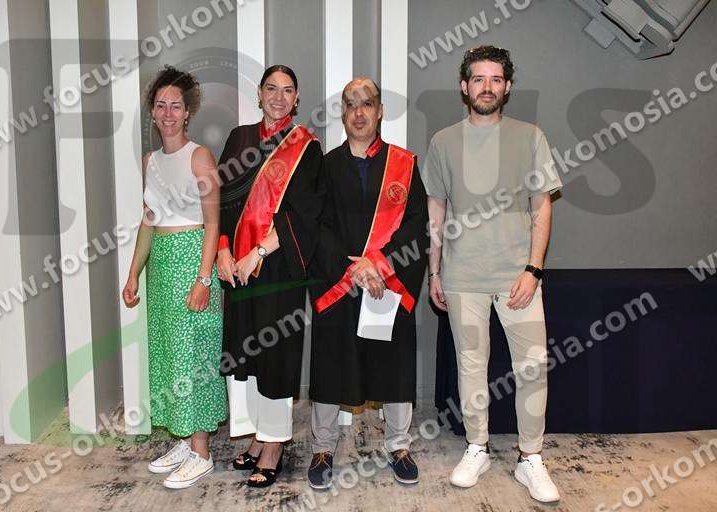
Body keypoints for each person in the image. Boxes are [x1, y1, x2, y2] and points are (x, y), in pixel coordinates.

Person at [420, 46, 563, 503]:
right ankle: (477, 447)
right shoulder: (443, 141)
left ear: (507, 87)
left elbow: (542, 208)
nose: (487, 87)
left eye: (495, 79)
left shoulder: (530, 137)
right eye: (478, 79)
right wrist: (434, 271)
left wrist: (533, 269)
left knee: (533, 367)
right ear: (465, 87)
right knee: (471, 367)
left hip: (518, 278)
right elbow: (436, 211)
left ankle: (530, 457)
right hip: (462, 277)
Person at [307, 77, 429, 488]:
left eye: (367, 103)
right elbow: (316, 226)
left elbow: (416, 224)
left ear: (379, 111)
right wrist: (353, 269)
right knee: (331, 363)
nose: (358, 112)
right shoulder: (325, 167)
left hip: (386, 283)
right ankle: (323, 447)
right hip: (339, 282)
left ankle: (398, 445)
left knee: (393, 364)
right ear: (342, 113)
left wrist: (380, 264)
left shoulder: (403, 164)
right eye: (350, 104)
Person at [216, 64, 324, 488]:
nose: (279, 97)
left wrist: (258, 252)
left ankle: (275, 443)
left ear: (297, 98)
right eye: (271, 89)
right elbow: (222, 200)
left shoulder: (306, 148)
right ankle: (257, 436)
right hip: (236, 269)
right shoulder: (239, 139)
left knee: (274, 353)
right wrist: (224, 250)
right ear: (259, 94)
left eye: (287, 90)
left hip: (277, 266)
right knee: (244, 352)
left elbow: (304, 215)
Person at [121, 66, 226, 489]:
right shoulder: (150, 161)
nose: (168, 113)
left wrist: (204, 280)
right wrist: (133, 274)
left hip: (192, 262)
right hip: (161, 266)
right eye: (161, 105)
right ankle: (184, 440)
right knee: (168, 357)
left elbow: (213, 224)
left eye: (175, 106)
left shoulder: (200, 157)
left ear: (188, 113)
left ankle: (202, 452)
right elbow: (149, 220)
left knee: (193, 358)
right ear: (153, 111)